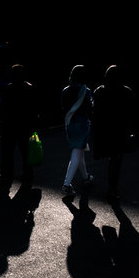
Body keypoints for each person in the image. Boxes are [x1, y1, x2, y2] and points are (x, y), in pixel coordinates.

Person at [92, 65, 135, 202]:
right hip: (119, 131)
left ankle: (112, 188)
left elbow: (96, 113)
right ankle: (112, 189)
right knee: (116, 161)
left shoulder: (99, 91)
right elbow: (130, 114)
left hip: (105, 131)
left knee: (112, 159)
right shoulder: (126, 92)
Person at [0, 64, 38, 190]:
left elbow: (3, 108)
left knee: (8, 153)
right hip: (25, 126)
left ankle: (7, 175)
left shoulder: (8, 88)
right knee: (25, 152)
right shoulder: (29, 87)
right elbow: (34, 108)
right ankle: (28, 174)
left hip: (10, 126)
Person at [61, 65, 94, 196]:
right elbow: (89, 110)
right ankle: (66, 184)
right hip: (82, 125)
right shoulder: (86, 91)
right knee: (77, 152)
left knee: (79, 152)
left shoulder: (65, 91)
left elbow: (64, 108)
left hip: (70, 124)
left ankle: (86, 176)